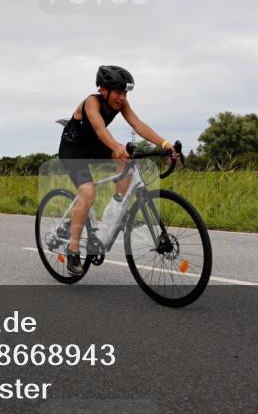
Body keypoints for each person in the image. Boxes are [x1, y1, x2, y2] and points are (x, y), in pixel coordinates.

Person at [58, 65, 177, 275]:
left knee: (127, 160)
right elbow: (100, 129)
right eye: (118, 92)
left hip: (94, 145)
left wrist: (165, 144)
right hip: (73, 149)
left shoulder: (121, 103)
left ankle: (117, 210)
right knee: (88, 192)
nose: (122, 98)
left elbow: (138, 125)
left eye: (125, 93)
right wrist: (115, 146)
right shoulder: (91, 102)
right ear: (103, 89)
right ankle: (73, 250)